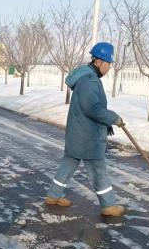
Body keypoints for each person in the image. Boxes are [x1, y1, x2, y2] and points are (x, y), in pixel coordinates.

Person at [45, 42, 126, 217]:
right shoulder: (89, 81)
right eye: (109, 63)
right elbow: (92, 108)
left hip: (78, 133)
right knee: (98, 170)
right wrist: (113, 118)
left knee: (68, 165)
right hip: (88, 137)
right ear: (99, 61)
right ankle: (109, 205)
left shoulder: (88, 78)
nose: (110, 67)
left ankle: (53, 195)